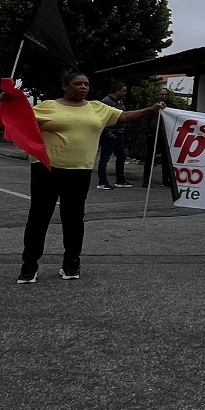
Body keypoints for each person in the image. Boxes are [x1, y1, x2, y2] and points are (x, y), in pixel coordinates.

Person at [16, 70, 164, 283]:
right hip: (46, 169)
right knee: (39, 218)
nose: (83, 87)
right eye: (78, 84)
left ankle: (71, 263)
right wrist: (8, 100)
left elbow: (123, 117)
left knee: (74, 218)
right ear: (65, 86)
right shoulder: (48, 106)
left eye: (86, 84)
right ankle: (29, 266)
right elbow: (19, 117)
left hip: (80, 170)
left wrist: (151, 110)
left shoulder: (98, 108)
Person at [95, 81, 131, 189]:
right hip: (110, 133)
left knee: (122, 155)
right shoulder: (106, 101)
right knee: (105, 157)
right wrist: (107, 131)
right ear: (117, 90)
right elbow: (101, 117)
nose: (125, 93)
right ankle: (102, 182)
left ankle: (120, 179)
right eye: (123, 91)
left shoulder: (120, 101)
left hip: (119, 132)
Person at [141, 86, 177, 188]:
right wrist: (148, 132)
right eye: (162, 94)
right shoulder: (153, 107)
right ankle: (146, 179)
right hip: (153, 135)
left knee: (166, 159)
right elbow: (145, 120)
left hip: (166, 136)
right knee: (149, 158)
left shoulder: (172, 108)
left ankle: (165, 179)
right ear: (158, 95)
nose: (164, 96)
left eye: (166, 94)